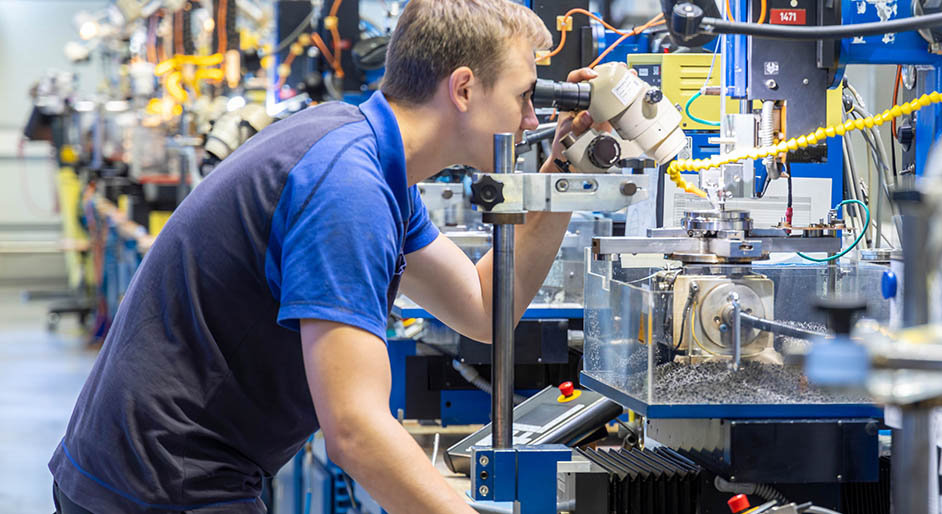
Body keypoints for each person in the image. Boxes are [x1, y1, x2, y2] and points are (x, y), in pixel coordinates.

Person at [48, 1, 600, 512]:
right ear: (462, 89)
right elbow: (356, 433)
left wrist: (567, 170)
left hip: (153, 464)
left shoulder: (367, 154)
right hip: (160, 482)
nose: (532, 120)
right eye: (524, 95)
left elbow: (483, 307)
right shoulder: (348, 186)